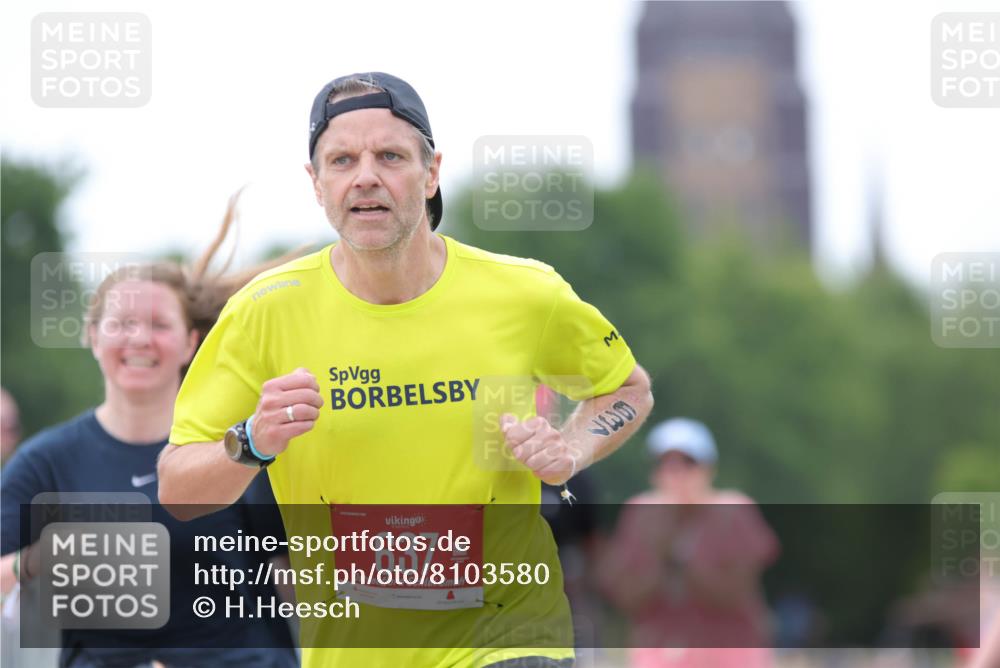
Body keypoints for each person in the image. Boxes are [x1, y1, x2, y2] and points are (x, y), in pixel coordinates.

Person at [157, 71, 654, 668]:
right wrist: (252, 443)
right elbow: (177, 490)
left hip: (510, 637)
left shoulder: (524, 293)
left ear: (432, 171)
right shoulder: (264, 314)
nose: (366, 175)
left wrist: (572, 449)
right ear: (316, 184)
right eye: (342, 160)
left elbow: (627, 388)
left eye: (390, 155)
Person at [0, 200, 299, 668]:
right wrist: (36, 561)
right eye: (122, 324)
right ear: (93, 337)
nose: (140, 339)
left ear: (189, 343)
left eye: (159, 324)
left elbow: (302, 578)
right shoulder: (47, 462)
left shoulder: (241, 448)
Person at [599, 418, 778, 668]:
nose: (676, 473)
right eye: (665, 463)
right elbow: (626, 598)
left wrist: (676, 557)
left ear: (708, 468)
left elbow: (733, 595)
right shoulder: (639, 514)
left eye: (688, 462)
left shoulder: (734, 511)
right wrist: (662, 564)